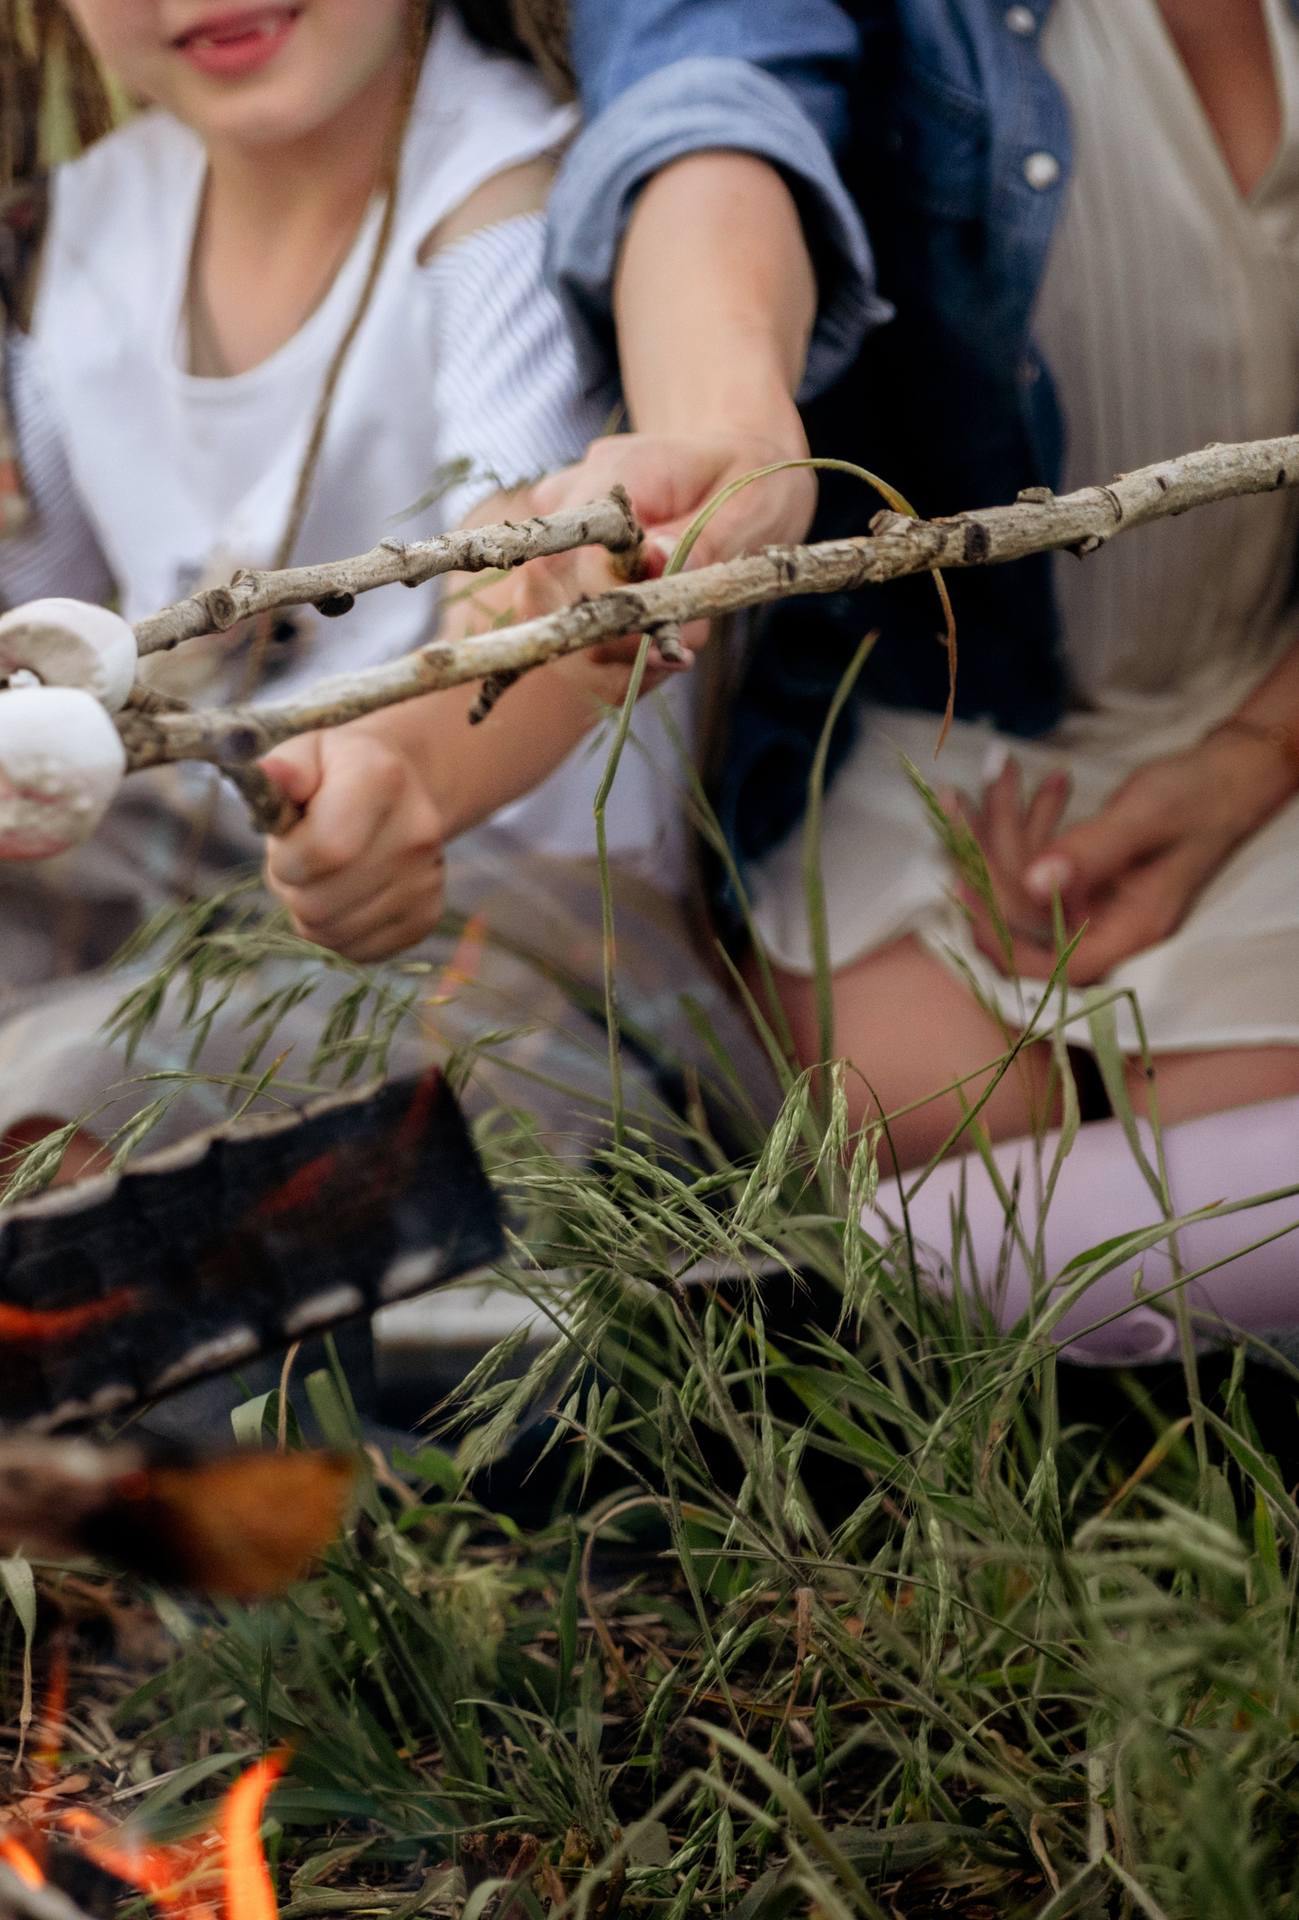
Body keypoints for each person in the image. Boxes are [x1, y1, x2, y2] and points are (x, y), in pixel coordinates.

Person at [496, 0, 1299, 1362]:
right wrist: (730, 431)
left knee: (1224, 1117)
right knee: (937, 1108)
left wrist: (1254, 760)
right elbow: (712, 103)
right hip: (933, 716)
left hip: (1264, 699)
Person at [0, 0, 694, 986]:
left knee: (123, 1075)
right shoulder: (85, 232)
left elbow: (533, 607)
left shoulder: (505, 208)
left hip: (473, 903)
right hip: (178, 854)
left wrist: (411, 781)